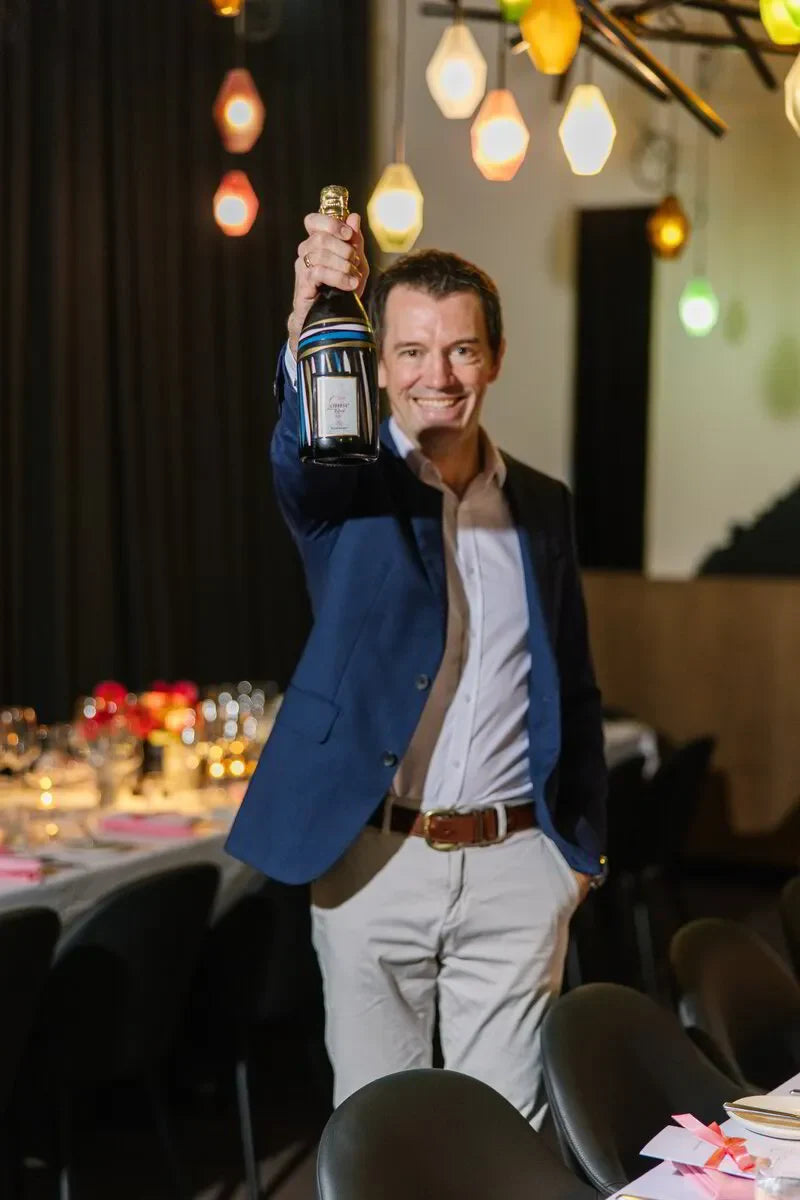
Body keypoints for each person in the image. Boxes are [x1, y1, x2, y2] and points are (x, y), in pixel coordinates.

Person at [226, 206, 608, 1125]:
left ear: (496, 357)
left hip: (518, 865)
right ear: (377, 362)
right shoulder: (345, 481)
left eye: (462, 351)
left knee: (504, 1145)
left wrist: (573, 861)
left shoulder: (544, 505)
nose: (437, 376)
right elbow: (298, 463)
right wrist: (304, 330)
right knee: (384, 1139)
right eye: (409, 353)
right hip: (375, 864)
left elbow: (574, 682)